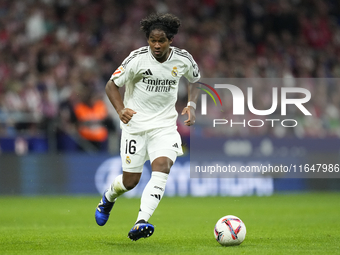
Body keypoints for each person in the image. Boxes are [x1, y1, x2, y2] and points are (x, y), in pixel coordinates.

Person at [95, 13, 201, 241]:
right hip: (135, 127)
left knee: (162, 166)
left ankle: (140, 221)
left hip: (164, 127)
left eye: (161, 40)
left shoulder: (183, 59)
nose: (156, 45)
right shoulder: (137, 59)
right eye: (152, 40)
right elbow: (111, 85)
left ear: (171, 39)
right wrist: (121, 109)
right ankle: (108, 198)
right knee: (129, 182)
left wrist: (191, 105)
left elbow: (195, 80)